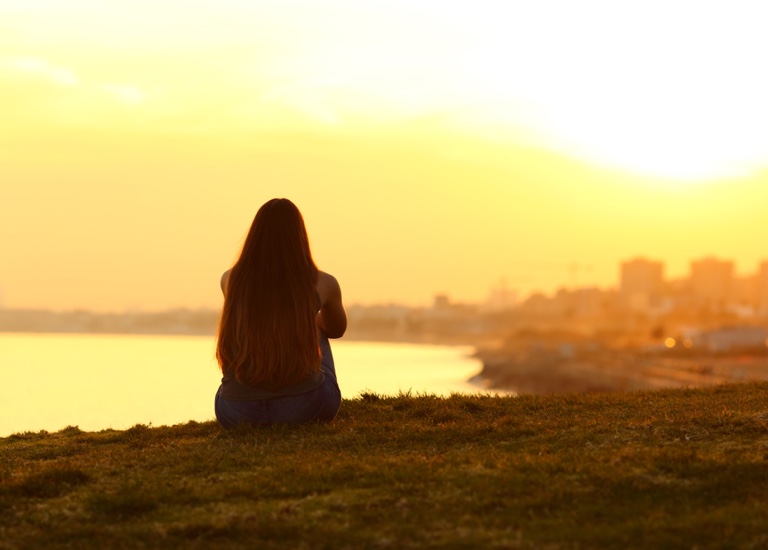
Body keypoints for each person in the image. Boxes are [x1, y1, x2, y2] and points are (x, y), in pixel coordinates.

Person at [214, 198, 347, 427]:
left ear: (255, 237)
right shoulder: (322, 283)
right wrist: (308, 318)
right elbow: (335, 329)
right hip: (304, 407)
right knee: (315, 324)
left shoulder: (230, 280)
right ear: (299, 237)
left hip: (236, 413)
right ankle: (297, 389)